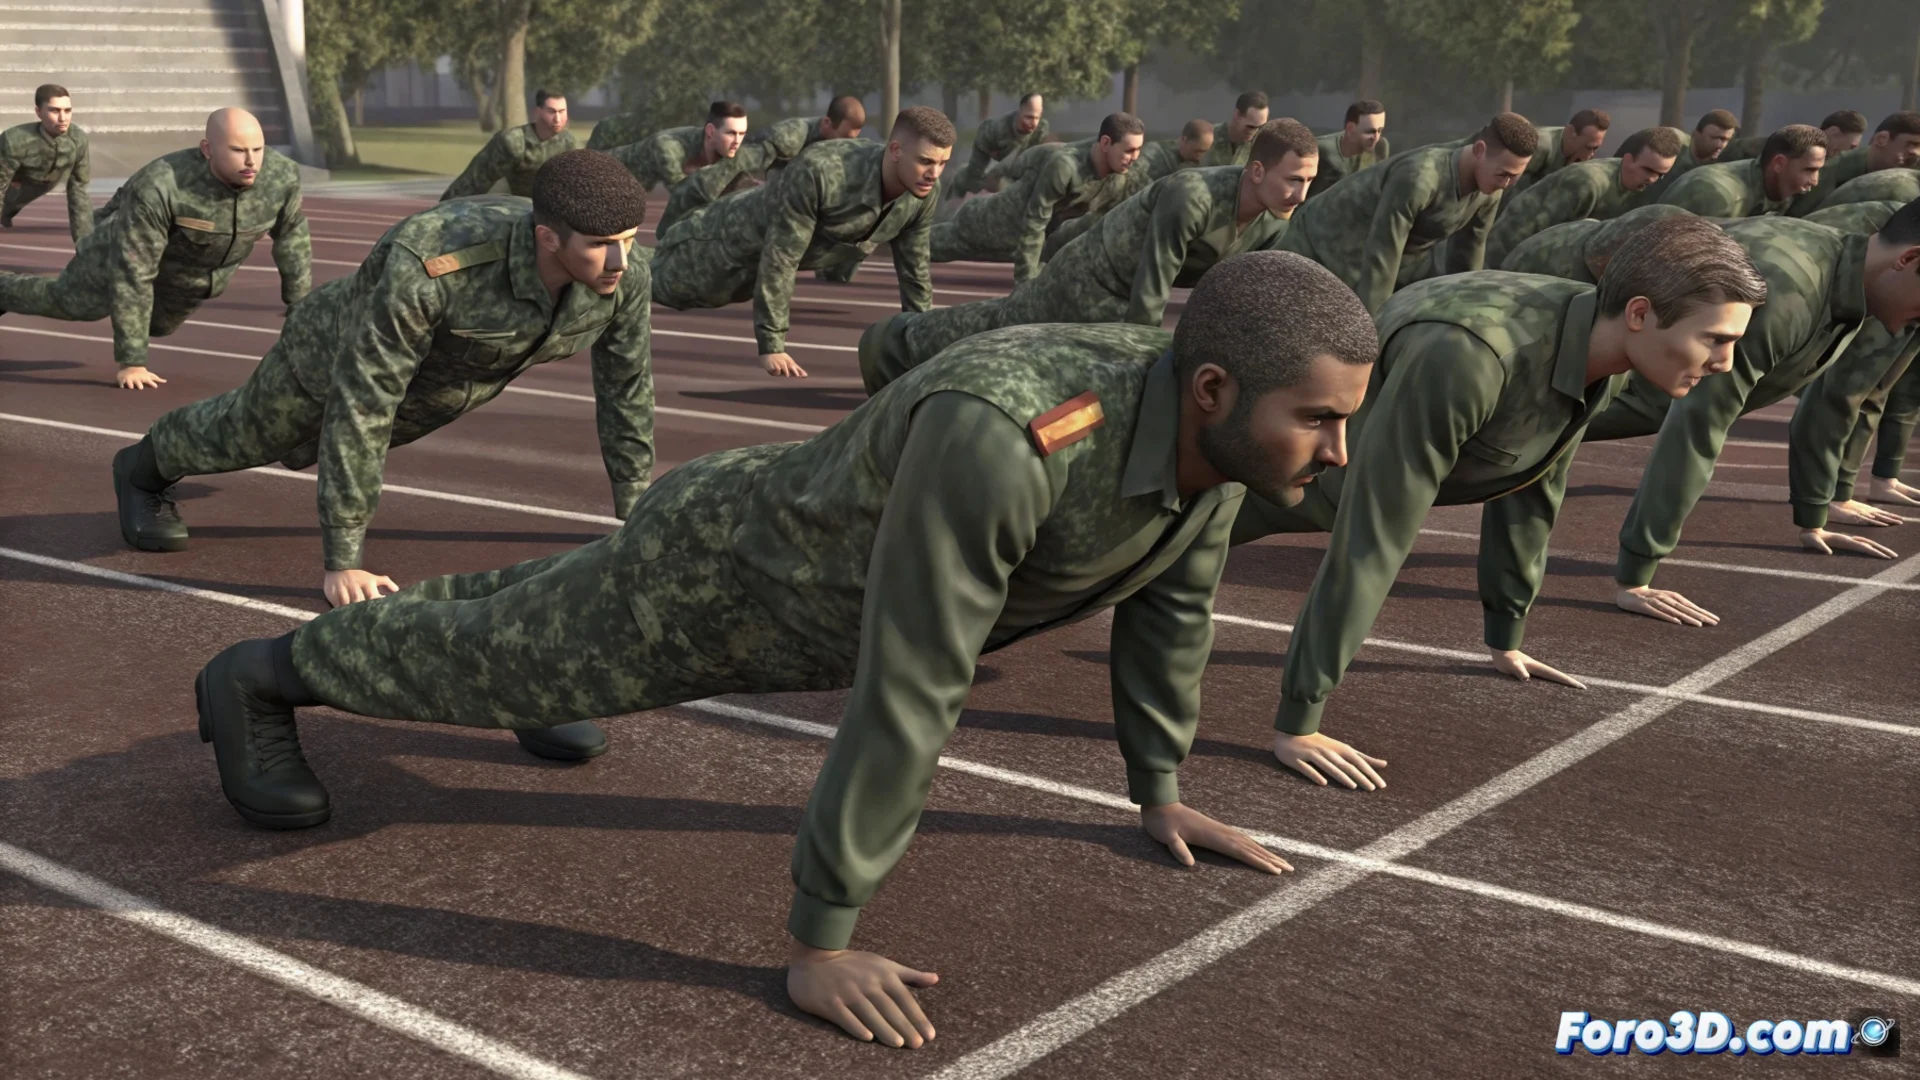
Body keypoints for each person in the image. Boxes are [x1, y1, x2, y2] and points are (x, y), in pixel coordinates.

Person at [190, 250, 1378, 1046]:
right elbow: (914, 686)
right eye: (1319, 421)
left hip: (781, 565)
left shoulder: (1208, 441)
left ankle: (449, 655)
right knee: (513, 656)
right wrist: (823, 940)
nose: (1335, 454)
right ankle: (261, 678)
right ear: (1214, 387)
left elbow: (1171, 600)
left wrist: (1159, 792)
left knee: (531, 619)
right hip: (726, 579)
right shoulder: (1012, 438)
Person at [114, 150, 652, 761]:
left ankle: (517, 686)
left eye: (631, 241)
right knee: (245, 436)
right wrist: (344, 558)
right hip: (325, 361)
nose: (620, 262)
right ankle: (143, 467)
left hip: (435, 388)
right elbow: (363, 399)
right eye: (603, 245)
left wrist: (633, 502)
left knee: (314, 452)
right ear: (548, 237)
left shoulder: (624, 277)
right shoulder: (431, 263)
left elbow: (627, 388)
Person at [1232, 216, 1767, 789]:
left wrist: (1505, 635)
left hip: (1348, 459)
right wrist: (1299, 720)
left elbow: (1535, 484)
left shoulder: (1600, 344)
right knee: (1155, 554)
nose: (1726, 364)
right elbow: (1373, 537)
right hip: (1278, 474)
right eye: (1715, 340)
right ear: (1640, 314)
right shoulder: (1470, 357)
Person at [1584, 200, 1920, 625]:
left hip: (1628, 312)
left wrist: (1814, 517)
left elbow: (1829, 404)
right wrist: (1636, 577)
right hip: (1568, 274)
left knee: (1560, 426)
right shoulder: (1790, 291)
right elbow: (1699, 424)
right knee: (1520, 428)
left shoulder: (1851, 286)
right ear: (1909, 259)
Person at [860, 119, 1320, 389]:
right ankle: (898, 341)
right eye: (1293, 180)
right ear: (1257, 170)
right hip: (1091, 275)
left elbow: (1232, 292)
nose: (1301, 193)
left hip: (1122, 296)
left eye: (1309, 182)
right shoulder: (1192, 195)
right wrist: (1151, 368)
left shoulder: (1274, 220)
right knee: (1007, 326)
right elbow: (1151, 288)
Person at [0, 108, 308, 391]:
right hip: (118, 250)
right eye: (238, 151)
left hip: (188, 275)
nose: (252, 161)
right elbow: (134, 271)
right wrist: (132, 362)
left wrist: (300, 307)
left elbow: (292, 238)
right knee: (74, 304)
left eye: (258, 149)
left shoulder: (282, 178)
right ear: (207, 150)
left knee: (158, 326)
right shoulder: (162, 184)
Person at [649, 106, 951, 378]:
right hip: (717, 243)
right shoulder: (824, 172)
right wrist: (772, 344)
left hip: (754, 265)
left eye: (942, 163)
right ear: (896, 150)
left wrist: (922, 345)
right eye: (926, 161)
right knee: (655, 285)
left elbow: (915, 274)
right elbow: (782, 257)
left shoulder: (921, 195)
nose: (934, 174)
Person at [1279, 112, 1535, 312]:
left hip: (1369, 267)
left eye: (1515, 177)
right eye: (1503, 174)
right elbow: (1382, 254)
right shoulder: (1421, 177)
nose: (1507, 185)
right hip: (1315, 247)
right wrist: (1374, 328)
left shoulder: (1490, 188)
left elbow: (1468, 256)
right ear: (1480, 151)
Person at [928, 112, 1143, 284]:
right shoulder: (1065, 166)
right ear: (1105, 144)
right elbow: (1034, 222)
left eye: (1138, 150)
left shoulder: (1118, 176)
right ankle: (898, 228)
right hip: (991, 224)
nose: (1135, 158)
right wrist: (1027, 285)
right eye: (1129, 150)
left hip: (1024, 241)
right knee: (922, 246)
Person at [656, 96, 868, 237]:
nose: (845, 146)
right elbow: (736, 163)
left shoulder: (836, 146)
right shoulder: (788, 138)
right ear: (827, 124)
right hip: (743, 183)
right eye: (843, 138)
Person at [1485, 127, 1681, 266]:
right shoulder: (1587, 182)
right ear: (1628, 159)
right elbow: (1536, 231)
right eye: (1648, 170)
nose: (1653, 179)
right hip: (1508, 249)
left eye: (1660, 174)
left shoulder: (1637, 188)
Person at [1657, 124, 1826, 217]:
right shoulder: (1716, 193)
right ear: (1779, 164)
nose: (1815, 180)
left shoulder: (1779, 189)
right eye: (1809, 170)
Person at [440, 89, 576, 200]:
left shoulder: (569, 143)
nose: (557, 119)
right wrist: (446, 209)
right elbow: (475, 180)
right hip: (508, 199)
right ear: (538, 112)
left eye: (562, 111)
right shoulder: (513, 141)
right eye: (551, 111)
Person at [0, 83, 91, 240]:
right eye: (54, 110)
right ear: (38, 112)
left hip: (36, 184)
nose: (63, 118)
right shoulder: (14, 141)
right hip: (12, 182)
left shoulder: (78, 140)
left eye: (67, 110)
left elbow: (79, 192)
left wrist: (85, 245)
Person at [1785, 111, 1920, 216]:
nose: (1916, 153)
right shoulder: (1830, 173)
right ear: (1882, 139)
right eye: (1912, 144)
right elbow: (1798, 218)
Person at [605, 101, 748, 192]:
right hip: (606, 171)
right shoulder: (668, 148)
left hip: (633, 186)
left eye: (742, 133)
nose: (737, 140)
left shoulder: (722, 147)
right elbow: (683, 194)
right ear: (711, 131)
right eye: (731, 133)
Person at [941, 92, 1048, 199]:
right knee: (974, 179)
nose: (1033, 123)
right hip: (988, 148)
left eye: (1036, 118)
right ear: (1019, 112)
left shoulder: (1040, 130)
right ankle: (958, 182)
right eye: (1028, 117)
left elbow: (1030, 159)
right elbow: (985, 168)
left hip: (1014, 162)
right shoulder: (997, 128)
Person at [1506, 108, 1611, 198]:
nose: (1592, 154)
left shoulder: (1580, 156)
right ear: (1570, 132)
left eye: (1596, 148)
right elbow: (1508, 185)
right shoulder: (1540, 146)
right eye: (1589, 147)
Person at [1645, 109, 1740, 199]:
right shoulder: (1673, 144)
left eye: (1726, 140)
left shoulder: (1721, 164)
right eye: (1715, 138)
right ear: (1696, 134)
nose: (1721, 145)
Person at [1308, 99, 1388, 199]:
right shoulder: (1321, 151)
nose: (1376, 138)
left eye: (1380, 131)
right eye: (1369, 132)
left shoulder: (1380, 147)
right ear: (1350, 128)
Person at [1201, 92, 1270, 166]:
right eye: (1250, 127)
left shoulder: (1260, 147)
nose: (1254, 132)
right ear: (1237, 115)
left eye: (1260, 127)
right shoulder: (1206, 138)